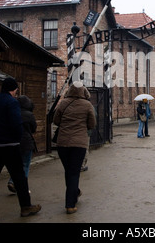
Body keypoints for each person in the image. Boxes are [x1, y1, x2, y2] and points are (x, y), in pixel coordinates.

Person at [0, 77, 41, 223]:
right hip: (10, 146)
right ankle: (25, 207)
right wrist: (16, 138)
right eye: (16, 90)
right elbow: (16, 123)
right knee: (19, 177)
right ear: (13, 89)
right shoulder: (12, 102)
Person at [53, 82, 96, 214]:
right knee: (74, 172)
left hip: (63, 143)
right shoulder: (87, 105)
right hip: (79, 144)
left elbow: (55, 121)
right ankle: (70, 204)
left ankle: (74, 192)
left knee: (69, 171)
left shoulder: (63, 103)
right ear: (83, 91)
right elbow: (92, 124)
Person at [7, 95, 37, 193]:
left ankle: (12, 181)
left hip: (13, 142)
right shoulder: (29, 114)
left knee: (16, 164)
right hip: (26, 143)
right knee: (25, 165)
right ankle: (23, 187)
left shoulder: (12, 113)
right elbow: (33, 128)